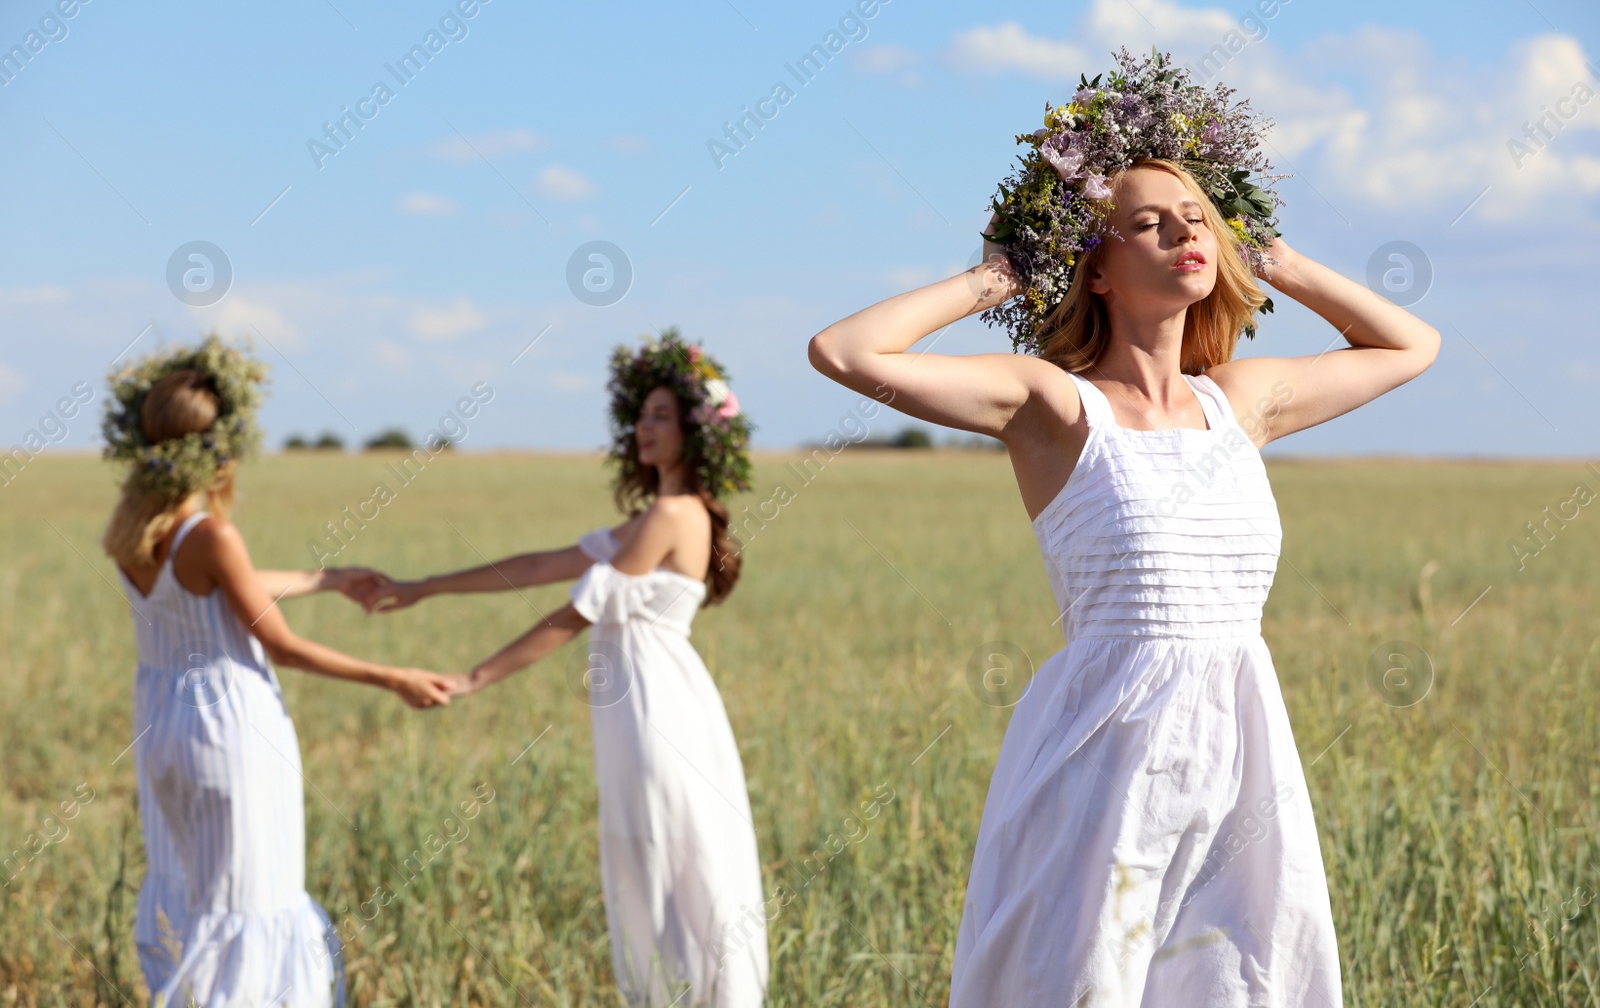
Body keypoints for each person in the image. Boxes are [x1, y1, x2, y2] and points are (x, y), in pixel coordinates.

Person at [809, 130, 1438, 1000]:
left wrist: (1277, 259)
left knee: (1235, 979)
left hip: (1242, 756)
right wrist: (999, 276)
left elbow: (1411, 345)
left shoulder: (1240, 401)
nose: (1185, 234)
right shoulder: (1054, 406)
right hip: (1105, 760)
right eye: (1150, 223)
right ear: (1096, 268)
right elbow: (844, 351)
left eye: (1197, 219)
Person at [365, 328, 770, 1007]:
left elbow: (579, 610)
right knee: (657, 849)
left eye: (662, 415)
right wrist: (425, 583)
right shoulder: (654, 516)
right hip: (646, 696)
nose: (645, 426)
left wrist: (473, 678)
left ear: (697, 432)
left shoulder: (673, 514)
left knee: (664, 848)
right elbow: (535, 566)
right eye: (641, 414)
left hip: (656, 706)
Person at [102, 337, 453, 1006]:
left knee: (194, 894)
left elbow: (221, 587)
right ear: (220, 446)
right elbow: (283, 647)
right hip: (229, 726)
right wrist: (395, 676)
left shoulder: (135, 534)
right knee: (255, 898)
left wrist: (328, 577)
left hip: (163, 725)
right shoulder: (210, 535)